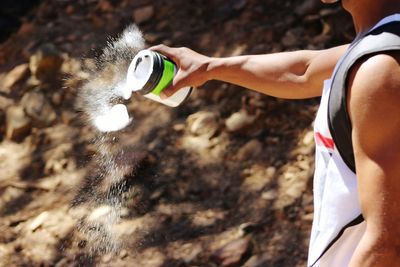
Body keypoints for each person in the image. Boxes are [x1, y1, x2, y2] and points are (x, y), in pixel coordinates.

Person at [151, 0, 400, 266]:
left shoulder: (380, 70)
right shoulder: (378, 44)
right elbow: (304, 71)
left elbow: (386, 244)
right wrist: (210, 67)